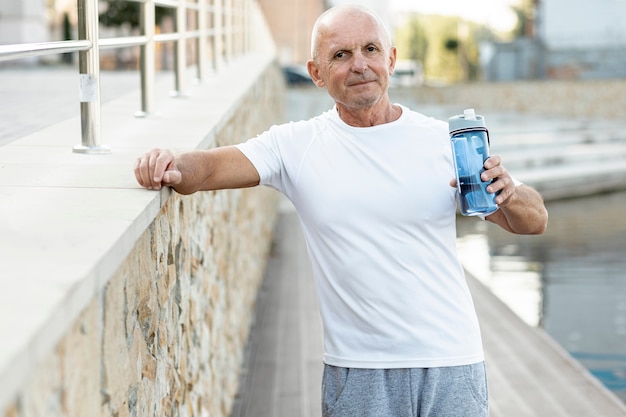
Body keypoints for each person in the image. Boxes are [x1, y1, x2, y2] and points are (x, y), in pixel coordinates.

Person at [135, 4, 548, 416]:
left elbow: (534, 221)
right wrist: (171, 164)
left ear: (391, 59)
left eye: (371, 49)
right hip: (358, 371)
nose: (360, 65)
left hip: (453, 360)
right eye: (340, 55)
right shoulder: (295, 145)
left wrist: (509, 193)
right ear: (316, 73)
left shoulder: (442, 140)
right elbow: (208, 168)